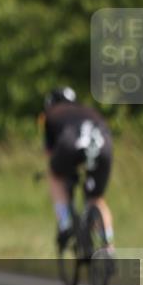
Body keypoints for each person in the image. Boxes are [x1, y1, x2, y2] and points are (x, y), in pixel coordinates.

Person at [41, 87, 115, 252]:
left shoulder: (52, 114)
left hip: (70, 145)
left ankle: (65, 222)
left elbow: (50, 153)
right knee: (97, 198)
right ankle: (108, 248)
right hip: (104, 146)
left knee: (55, 175)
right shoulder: (89, 111)